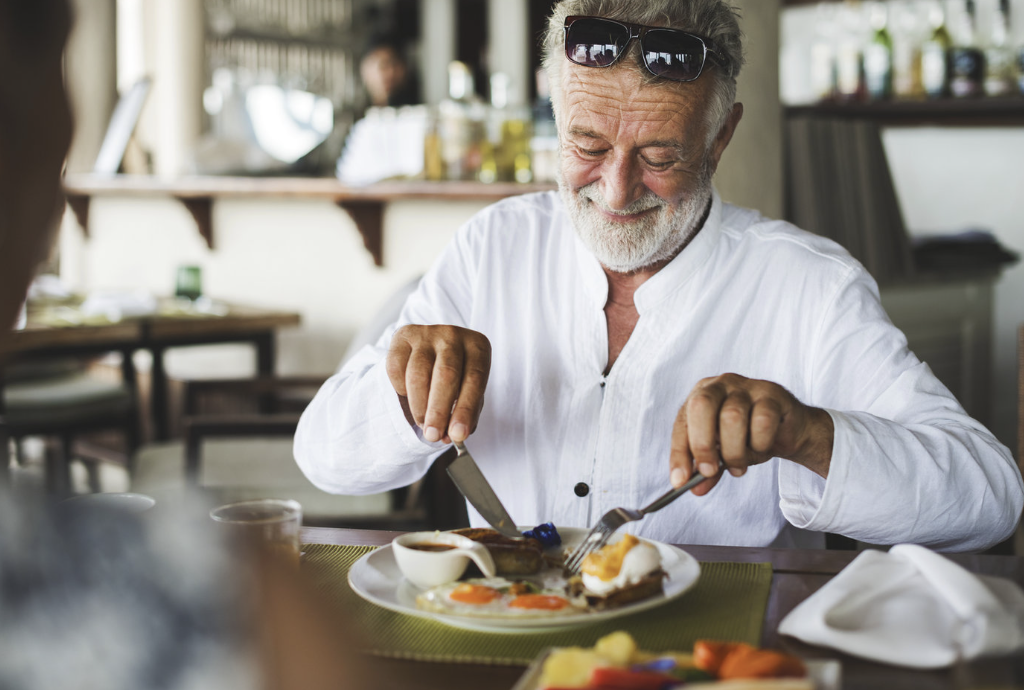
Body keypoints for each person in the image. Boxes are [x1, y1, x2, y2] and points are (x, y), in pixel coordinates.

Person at [295, 0, 1023, 552]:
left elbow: (991, 497)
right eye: (585, 144)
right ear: (555, 114)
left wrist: (807, 434)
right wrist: (406, 394)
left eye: (660, 157)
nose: (614, 191)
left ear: (722, 135)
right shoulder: (494, 248)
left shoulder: (808, 286)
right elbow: (323, 455)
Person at [359, 35, 418, 109]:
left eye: (395, 64)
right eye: (383, 65)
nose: (391, 72)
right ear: (365, 69)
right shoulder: (361, 116)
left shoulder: (415, 112)